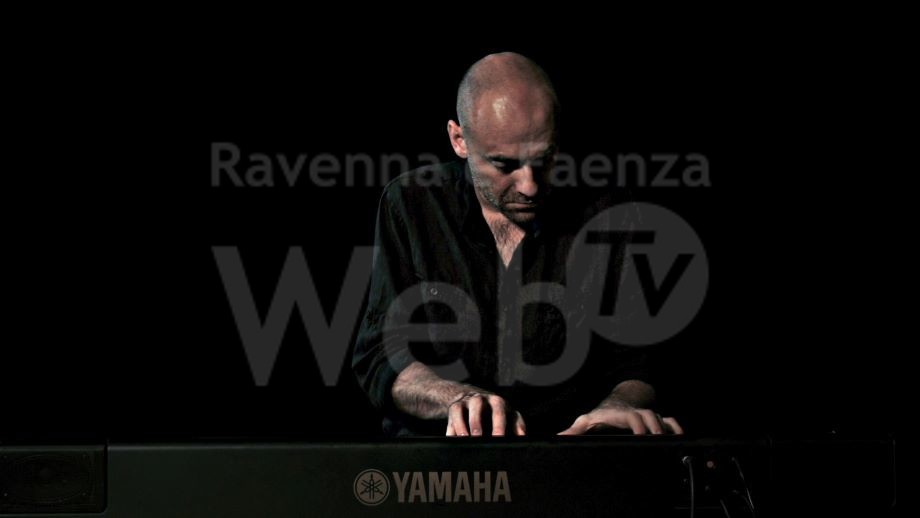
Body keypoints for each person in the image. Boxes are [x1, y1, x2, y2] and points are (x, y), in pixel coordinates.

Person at [352, 52, 682, 437]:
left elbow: (637, 362)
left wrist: (620, 405)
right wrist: (454, 398)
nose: (530, 186)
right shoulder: (411, 204)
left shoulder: (607, 209)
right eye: (505, 165)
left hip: (567, 452)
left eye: (544, 160)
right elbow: (381, 355)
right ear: (459, 140)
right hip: (440, 459)